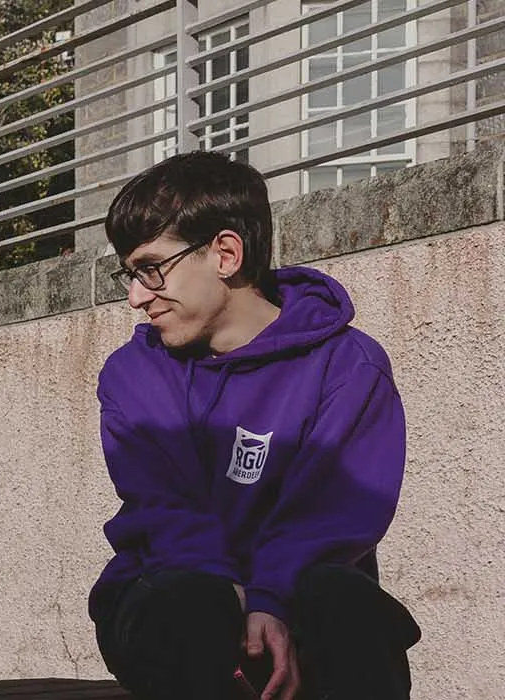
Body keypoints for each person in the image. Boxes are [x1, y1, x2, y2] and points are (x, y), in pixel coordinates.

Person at [90, 151, 420, 700]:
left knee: (345, 599)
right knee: (191, 603)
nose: (136, 296)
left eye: (151, 268)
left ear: (225, 253)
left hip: (301, 596)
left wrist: (272, 598)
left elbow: (335, 513)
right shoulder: (134, 374)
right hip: (171, 593)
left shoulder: (348, 365)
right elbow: (164, 511)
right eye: (129, 274)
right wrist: (242, 598)